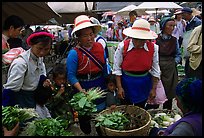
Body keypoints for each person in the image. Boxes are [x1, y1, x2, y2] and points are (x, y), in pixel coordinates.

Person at [66, 15, 108, 134]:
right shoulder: (74, 54)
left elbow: (104, 66)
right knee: (85, 118)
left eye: (91, 34)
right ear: (78, 37)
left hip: (99, 84)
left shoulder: (99, 47)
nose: (90, 38)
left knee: (101, 117)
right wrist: (81, 91)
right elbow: (71, 76)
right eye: (85, 35)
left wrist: (109, 82)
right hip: (82, 88)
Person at [112, 19, 161, 109]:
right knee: (126, 108)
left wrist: (154, 89)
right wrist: (119, 87)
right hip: (126, 82)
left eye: (142, 40)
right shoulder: (123, 46)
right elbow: (117, 68)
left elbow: (155, 70)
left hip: (144, 83)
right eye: (136, 39)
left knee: (140, 109)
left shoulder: (154, 48)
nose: (138, 43)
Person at [2, 30, 54, 108]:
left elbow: (40, 74)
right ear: (31, 45)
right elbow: (11, 89)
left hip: (32, 99)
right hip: (21, 100)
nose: (42, 53)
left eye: (46, 49)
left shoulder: (39, 59)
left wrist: (44, 81)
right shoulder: (21, 63)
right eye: (39, 48)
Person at [156, 16, 182, 110]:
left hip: (171, 69)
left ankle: (167, 111)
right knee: (157, 91)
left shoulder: (174, 40)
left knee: (169, 93)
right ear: (163, 26)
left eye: (173, 26)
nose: (172, 28)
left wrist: (174, 62)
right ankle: (152, 111)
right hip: (158, 67)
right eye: (170, 25)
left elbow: (178, 54)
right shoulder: (156, 39)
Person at [180, 7, 201, 77]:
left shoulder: (197, 23)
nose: (182, 16)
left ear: (189, 14)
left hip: (195, 51)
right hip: (190, 49)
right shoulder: (188, 23)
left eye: (183, 14)